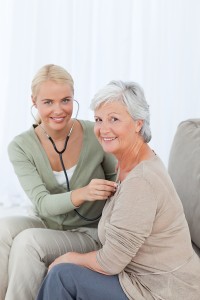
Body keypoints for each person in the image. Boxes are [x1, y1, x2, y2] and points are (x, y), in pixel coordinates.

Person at [37, 80, 200, 300]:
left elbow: (110, 262)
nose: (103, 129)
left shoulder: (141, 181)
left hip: (161, 291)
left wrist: (69, 257)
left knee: (61, 275)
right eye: (98, 120)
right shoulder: (129, 163)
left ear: (137, 124)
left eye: (114, 119)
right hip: (138, 278)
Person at [0, 64, 117, 300]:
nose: (58, 110)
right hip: (48, 221)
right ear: (34, 101)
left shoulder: (96, 133)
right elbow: (42, 204)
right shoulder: (21, 146)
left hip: (89, 232)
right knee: (2, 229)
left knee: (27, 242)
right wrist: (83, 193)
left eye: (65, 100)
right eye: (48, 102)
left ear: (74, 98)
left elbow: (120, 180)